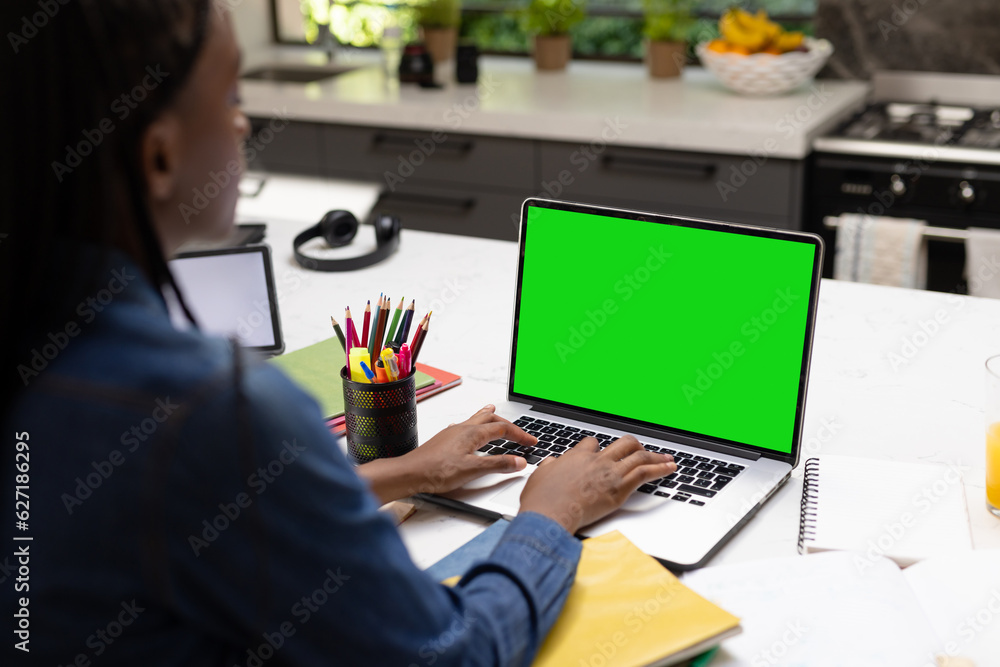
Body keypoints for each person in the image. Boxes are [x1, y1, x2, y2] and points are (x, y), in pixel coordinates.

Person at [0, 1, 676, 664]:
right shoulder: (209, 412)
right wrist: (549, 517)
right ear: (159, 157)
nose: (243, 122)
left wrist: (406, 471)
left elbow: (208, 519)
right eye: (231, 95)